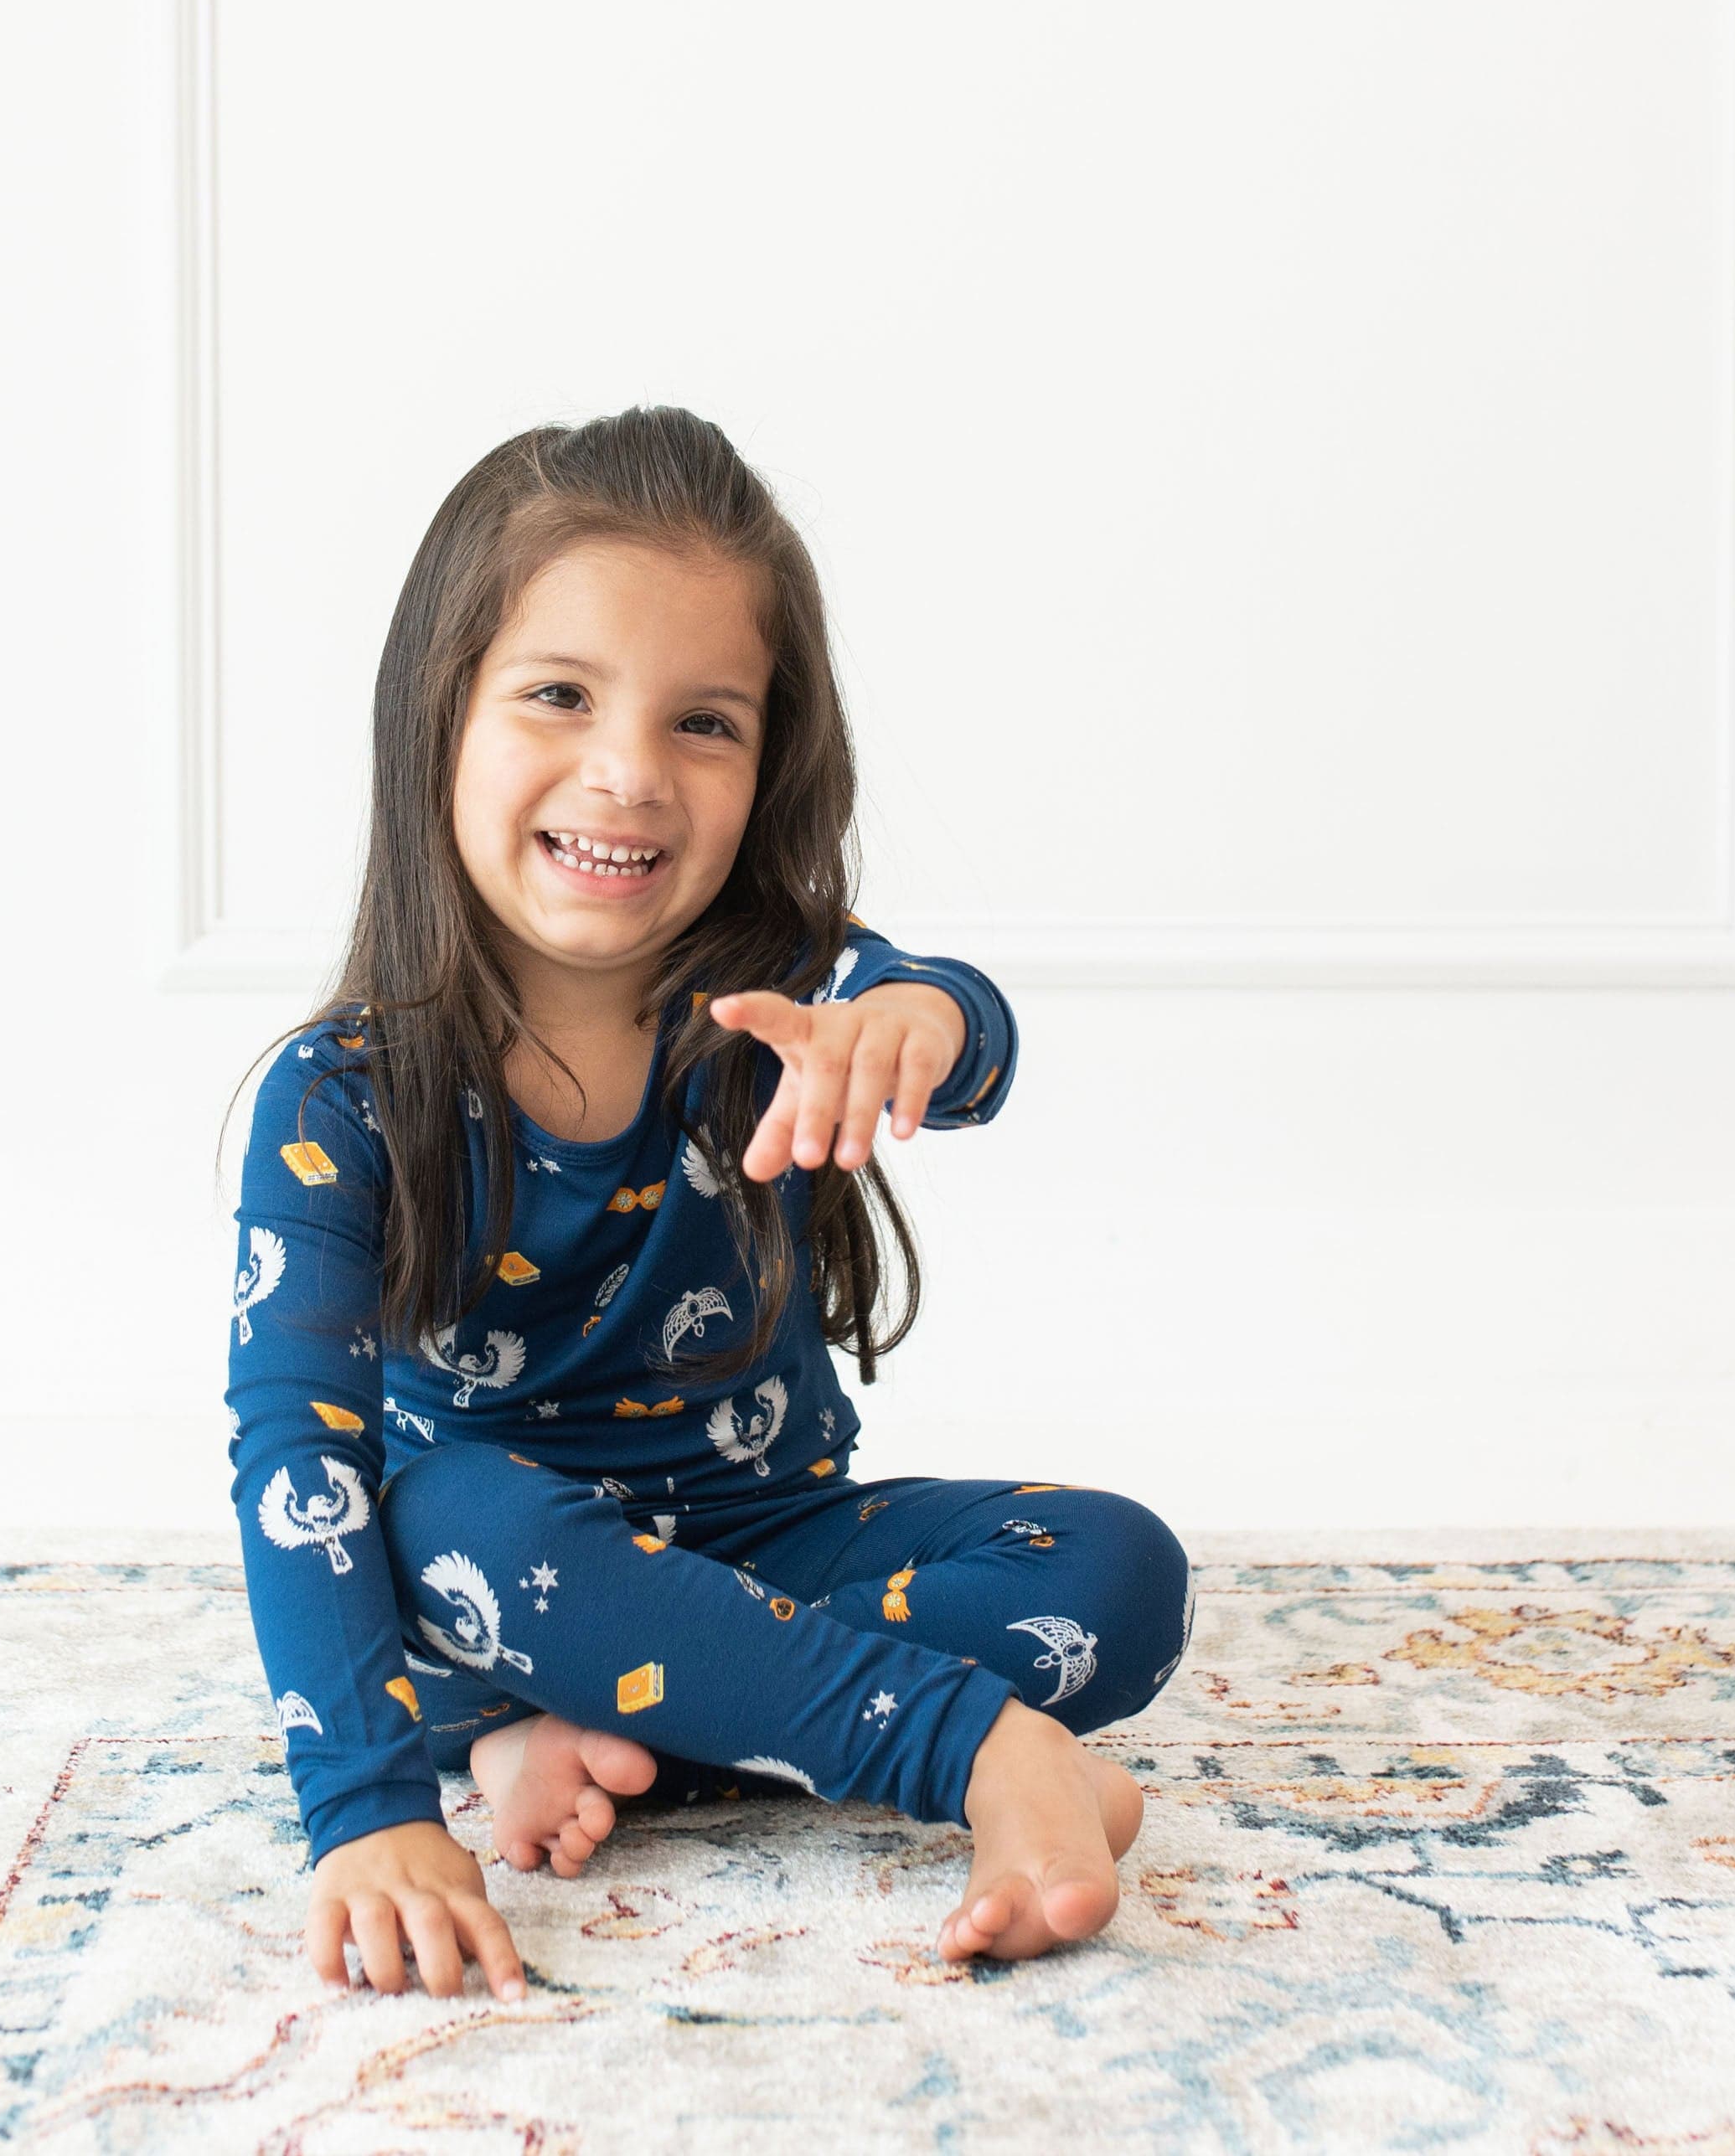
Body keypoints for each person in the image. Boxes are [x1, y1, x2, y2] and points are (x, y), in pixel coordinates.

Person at [223, 406, 1192, 2005]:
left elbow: (960, 1024)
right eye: (558, 696)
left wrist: (916, 1028)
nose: (629, 773)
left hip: (768, 1535)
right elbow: (298, 1464)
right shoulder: (337, 1096)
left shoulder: (777, 989)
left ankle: (647, 1739)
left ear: (769, 764)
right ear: (438, 718)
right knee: (454, 1513)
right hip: (486, 1595)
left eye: (706, 724)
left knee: (1118, 1572)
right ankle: (975, 1753)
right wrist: (367, 1819)